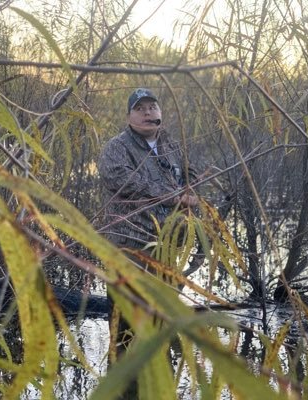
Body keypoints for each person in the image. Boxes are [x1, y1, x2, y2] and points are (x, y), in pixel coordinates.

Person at [99, 88, 198, 374]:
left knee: (159, 323)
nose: (147, 113)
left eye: (152, 107)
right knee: (126, 327)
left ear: (160, 113)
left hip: (167, 248)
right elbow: (123, 181)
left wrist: (192, 193)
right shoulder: (116, 147)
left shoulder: (171, 146)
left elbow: (190, 175)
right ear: (129, 116)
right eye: (140, 108)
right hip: (130, 248)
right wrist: (174, 196)